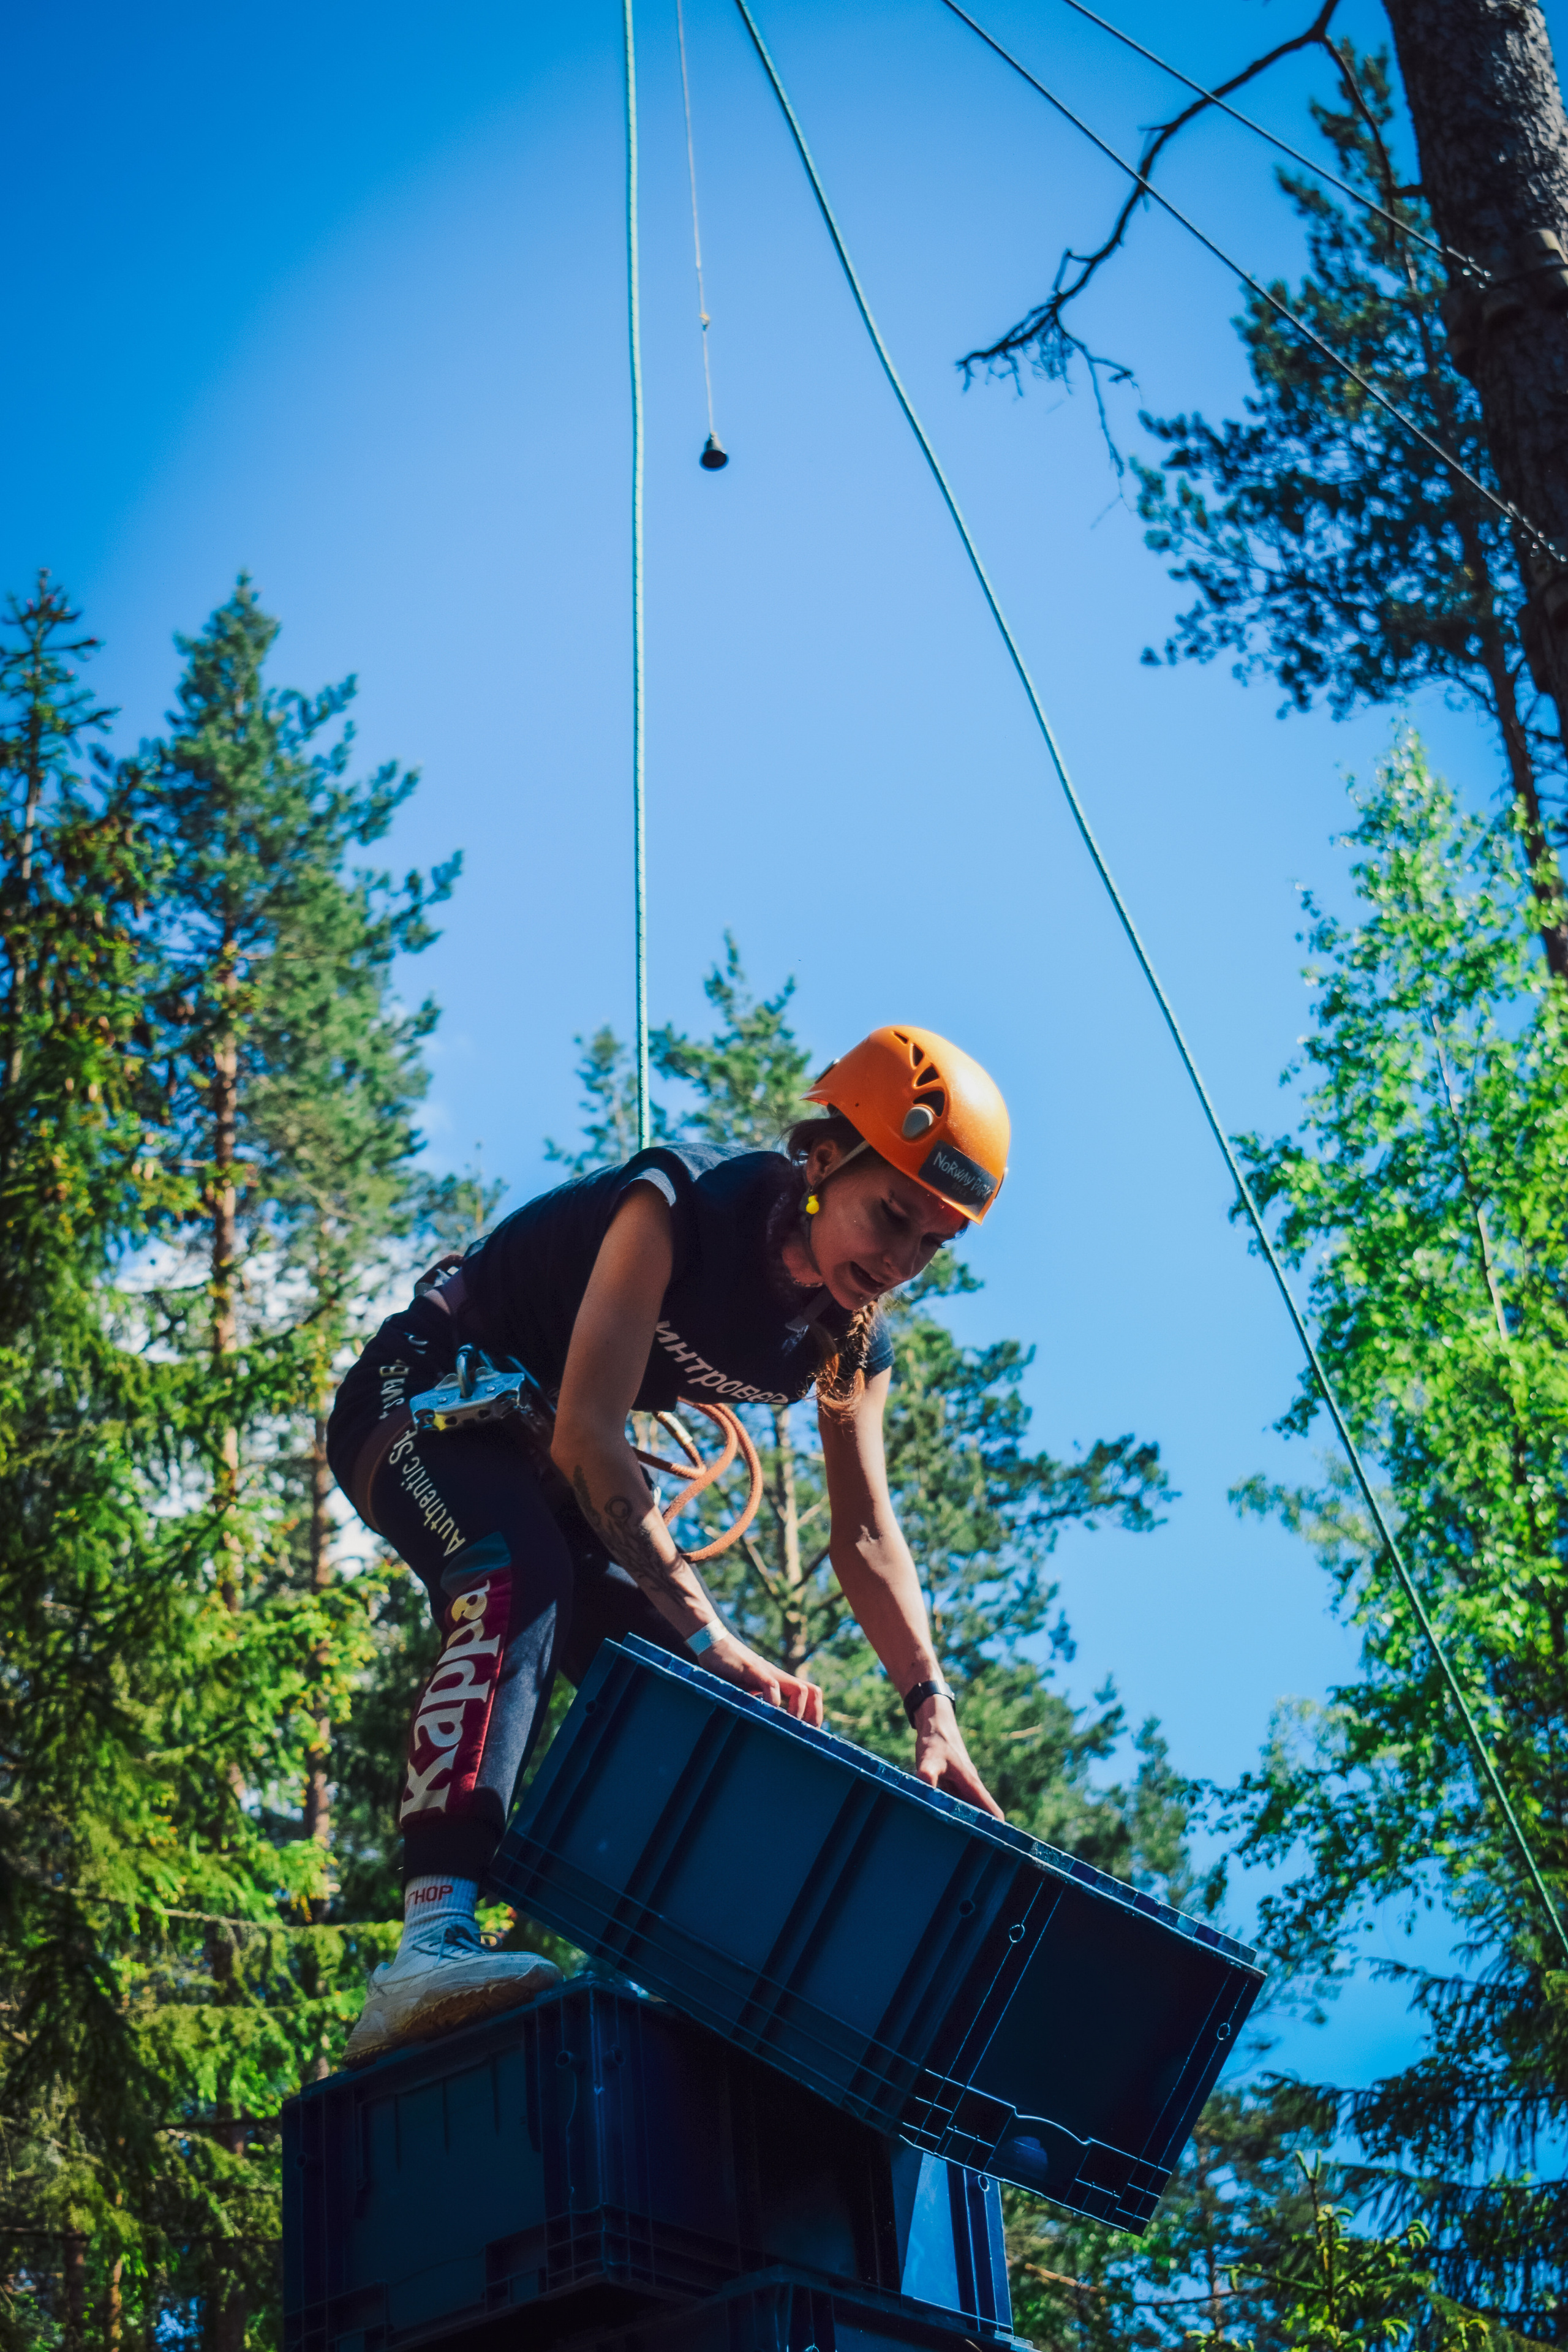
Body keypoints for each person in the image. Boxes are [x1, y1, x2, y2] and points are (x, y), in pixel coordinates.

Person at [328, 1023, 1011, 2065]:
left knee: (682, 1689)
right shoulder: (681, 1209)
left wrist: (934, 1711)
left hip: (535, 1444)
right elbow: (591, 1435)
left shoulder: (846, 1345)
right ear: (825, 1159)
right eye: (892, 1215)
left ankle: (667, 1970)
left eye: (931, 1244)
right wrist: (710, 1627)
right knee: (522, 1576)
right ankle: (428, 1942)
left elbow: (866, 1532)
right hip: (417, 1391)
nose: (899, 1260)